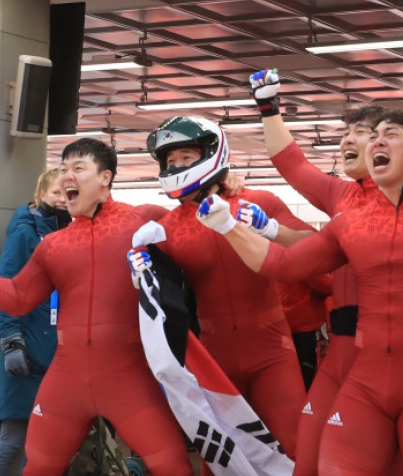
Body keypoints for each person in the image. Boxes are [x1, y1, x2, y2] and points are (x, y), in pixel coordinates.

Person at [195, 109, 403, 475]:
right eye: (374, 137)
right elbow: (284, 265)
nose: (376, 142)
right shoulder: (350, 218)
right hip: (363, 383)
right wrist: (229, 226)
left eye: (388, 134)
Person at [0, 138, 195, 476]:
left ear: (105, 178)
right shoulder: (53, 245)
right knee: (38, 467)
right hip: (66, 378)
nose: (67, 176)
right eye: (64, 169)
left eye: (78, 168)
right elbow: (17, 297)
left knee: (174, 466)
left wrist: (225, 190)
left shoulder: (143, 223)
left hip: (127, 377)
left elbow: (198, 229)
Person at [129, 115, 315, 474]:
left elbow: (317, 250)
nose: (177, 166)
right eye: (170, 161)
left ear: (210, 153)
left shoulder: (258, 200)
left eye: (185, 156)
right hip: (215, 359)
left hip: (272, 354)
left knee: (296, 454)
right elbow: (165, 300)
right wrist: (141, 273)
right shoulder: (166, 229)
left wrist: (272, 229)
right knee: (221, 463)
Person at [0, 168, 71, 476]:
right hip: (27, 352)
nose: (62, 199)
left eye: (68, 194)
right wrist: (11, 341)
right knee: (13, 439)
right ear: (41, 194)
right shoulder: (25, 230)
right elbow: (6, 286)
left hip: (57, 355)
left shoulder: (69, 231)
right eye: (56, 193)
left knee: (45, 446)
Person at [277, 273, 333, 391]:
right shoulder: (304, 264)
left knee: (287, 375)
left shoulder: (282, 260)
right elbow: (328, 285)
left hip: (285, 323)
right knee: (304, 377)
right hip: (302, 326)